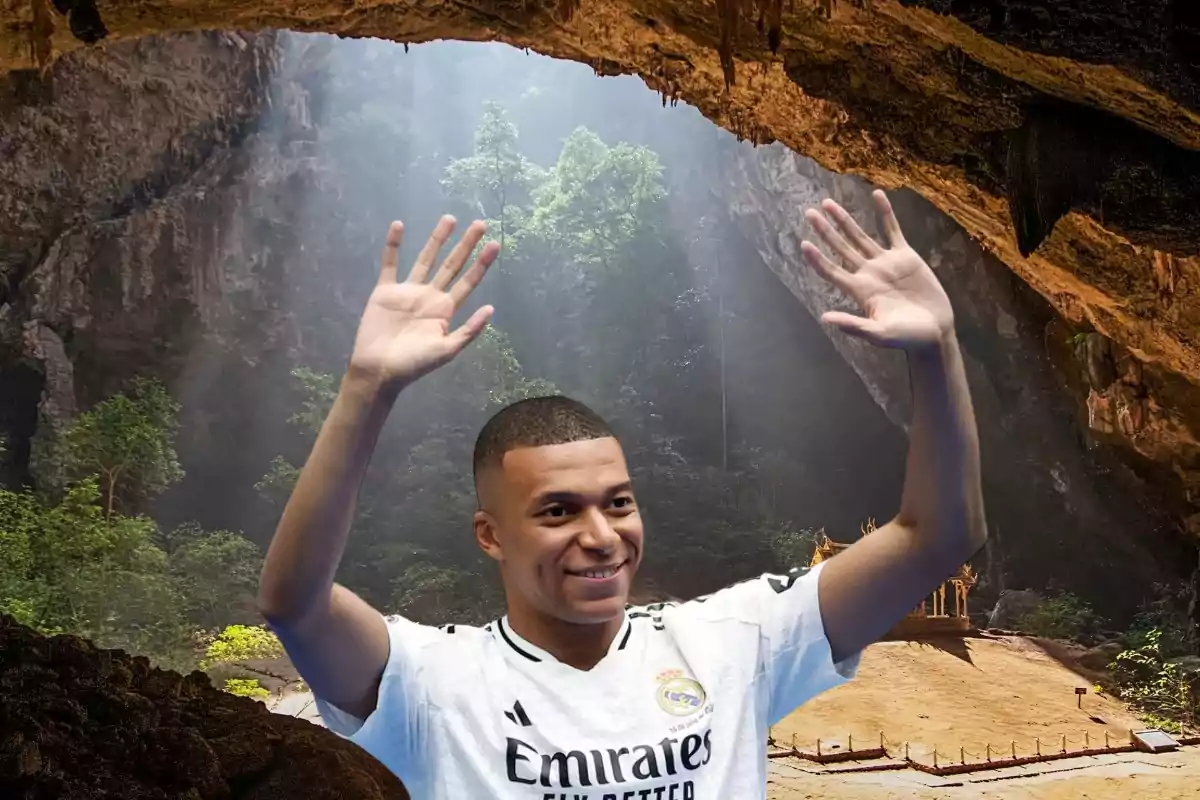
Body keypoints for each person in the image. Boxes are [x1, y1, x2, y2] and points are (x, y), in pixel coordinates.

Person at [257, 192, 987, 799]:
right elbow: (296, 604)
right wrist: (366, 388)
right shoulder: (433, 683)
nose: (601, 534)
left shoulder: (734, 642)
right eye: (557, 510)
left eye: (618, 502)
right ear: (490, 534)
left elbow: (935, 541)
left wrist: (937, 348)